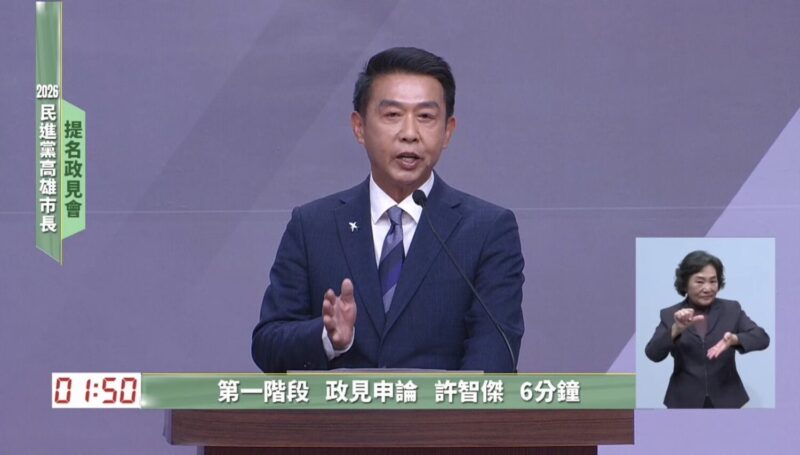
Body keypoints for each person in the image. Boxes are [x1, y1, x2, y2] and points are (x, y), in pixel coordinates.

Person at [251, 47, 525, 373]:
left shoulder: (487, 229)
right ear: (359, 127)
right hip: (341, 409)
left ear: (448, 131)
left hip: (441, 409)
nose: (409, 134)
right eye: (393, 115)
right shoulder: (313, 226)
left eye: (425, 117)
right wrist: (328, 337)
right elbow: (268, 345)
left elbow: (494, 356)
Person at [645, 250, 769, 408]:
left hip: (728, 398)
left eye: (713, 281)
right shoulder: (670, 314)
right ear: (685, 283)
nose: (708, 288)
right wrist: (676, 329)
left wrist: (735, 339)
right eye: (700, 281)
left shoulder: (731, 309)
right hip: (683, 401)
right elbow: (653, 354)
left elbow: (762, 338)